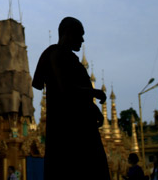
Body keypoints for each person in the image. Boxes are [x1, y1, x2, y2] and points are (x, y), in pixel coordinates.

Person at [32, 17, 110, 180]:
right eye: (79, 35)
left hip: (83, 127)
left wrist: (94, 109)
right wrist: (93, 93)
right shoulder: (55, 55)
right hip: (68, 130)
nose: (82, 40)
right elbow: (65, 89)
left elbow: (79, 96)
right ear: (68, 33)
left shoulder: (71, 60)